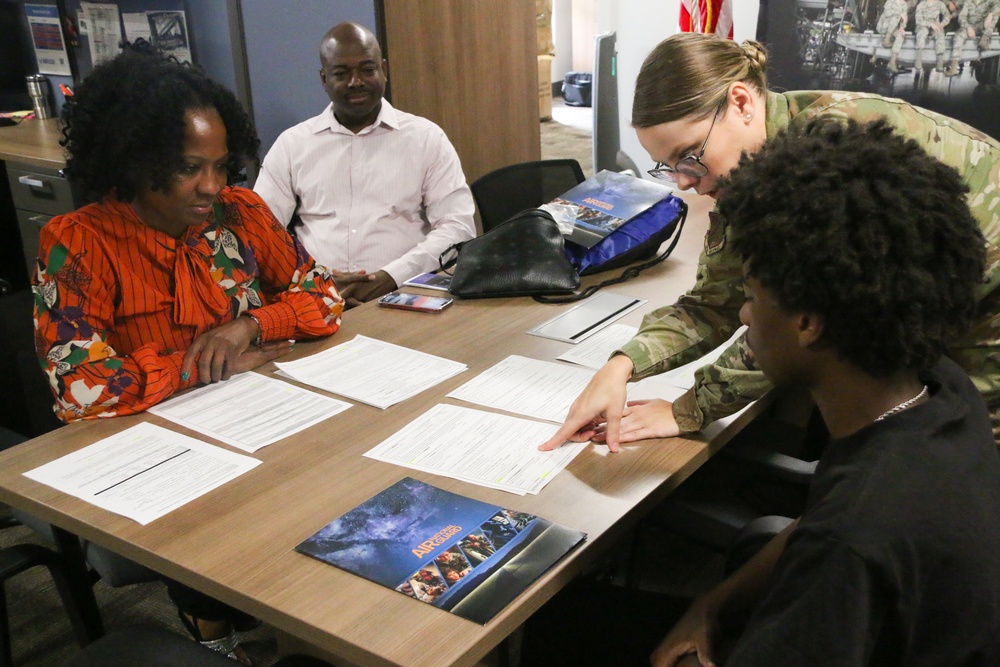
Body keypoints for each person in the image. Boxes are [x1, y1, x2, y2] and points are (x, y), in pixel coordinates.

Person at [524, 118, 1000, 667]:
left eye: (752, 294)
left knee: (561, 625)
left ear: (807, 321)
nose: (746, 314)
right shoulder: (938, 389)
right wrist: (710, 603)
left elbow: (833, 539)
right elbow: (816, 521)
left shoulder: (851, 548)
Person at [539, 32, 1000, 455]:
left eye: (690, 156)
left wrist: (687, 409)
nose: (683, 183)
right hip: (939, 314)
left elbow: (797, 320)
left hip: (985, 313)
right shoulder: (756, 170)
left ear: (741, 102)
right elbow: (715, 302)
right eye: (667, 166)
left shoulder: (827, 147)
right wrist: (621, 366)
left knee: (952, 470)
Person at [34, 50, 345, 662]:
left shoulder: (242, 214)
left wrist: (252, 325)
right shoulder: (79, 243)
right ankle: (221, 638)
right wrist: (194, 366)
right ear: (134, 160)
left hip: (264, 424)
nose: (212, 185)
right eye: (187, 168)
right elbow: (81, 388)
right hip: (158, 460)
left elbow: (325, 297)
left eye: (221, 165)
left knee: (333, 500)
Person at [254, 22, 476, 307]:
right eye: (341, 73)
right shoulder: (292, 144)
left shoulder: (426, 138)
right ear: (323, 79)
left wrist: (391, 276)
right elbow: (260, 232)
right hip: (313, 300)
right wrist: (315, 279)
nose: (356, 81)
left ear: (383, 70)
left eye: (367, 69)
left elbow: (457, 228)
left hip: (407, 294)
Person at [947, 0, 999, 74]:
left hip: (983, 26)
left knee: (995, 14)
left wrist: (991, 14)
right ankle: (954, 67)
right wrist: (968, 28)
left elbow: (998, 5)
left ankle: (985, 39)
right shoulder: (968, 2)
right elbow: (962, 17)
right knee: (958, 36)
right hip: (970, 26)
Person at [914, 0, 950, 70]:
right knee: (921, 34)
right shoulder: (921, 5)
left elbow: (947, 16)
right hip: (923, 25)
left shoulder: (940, 4)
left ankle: (940, 63)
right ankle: (918, 61)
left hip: (936, 26)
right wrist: (930, 24)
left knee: (940, 36)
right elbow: (918, 20)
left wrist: (942, 24)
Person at [875, 0, 910, 73]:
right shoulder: (890, 1)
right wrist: (900, 15)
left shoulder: (904, 5)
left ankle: (892, 62)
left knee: (901, 35)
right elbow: (887, 13)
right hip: (883, 27)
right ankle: (886, 39)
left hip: (893, 29)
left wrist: (902, 27)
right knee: (897, 16)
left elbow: (905, 18)